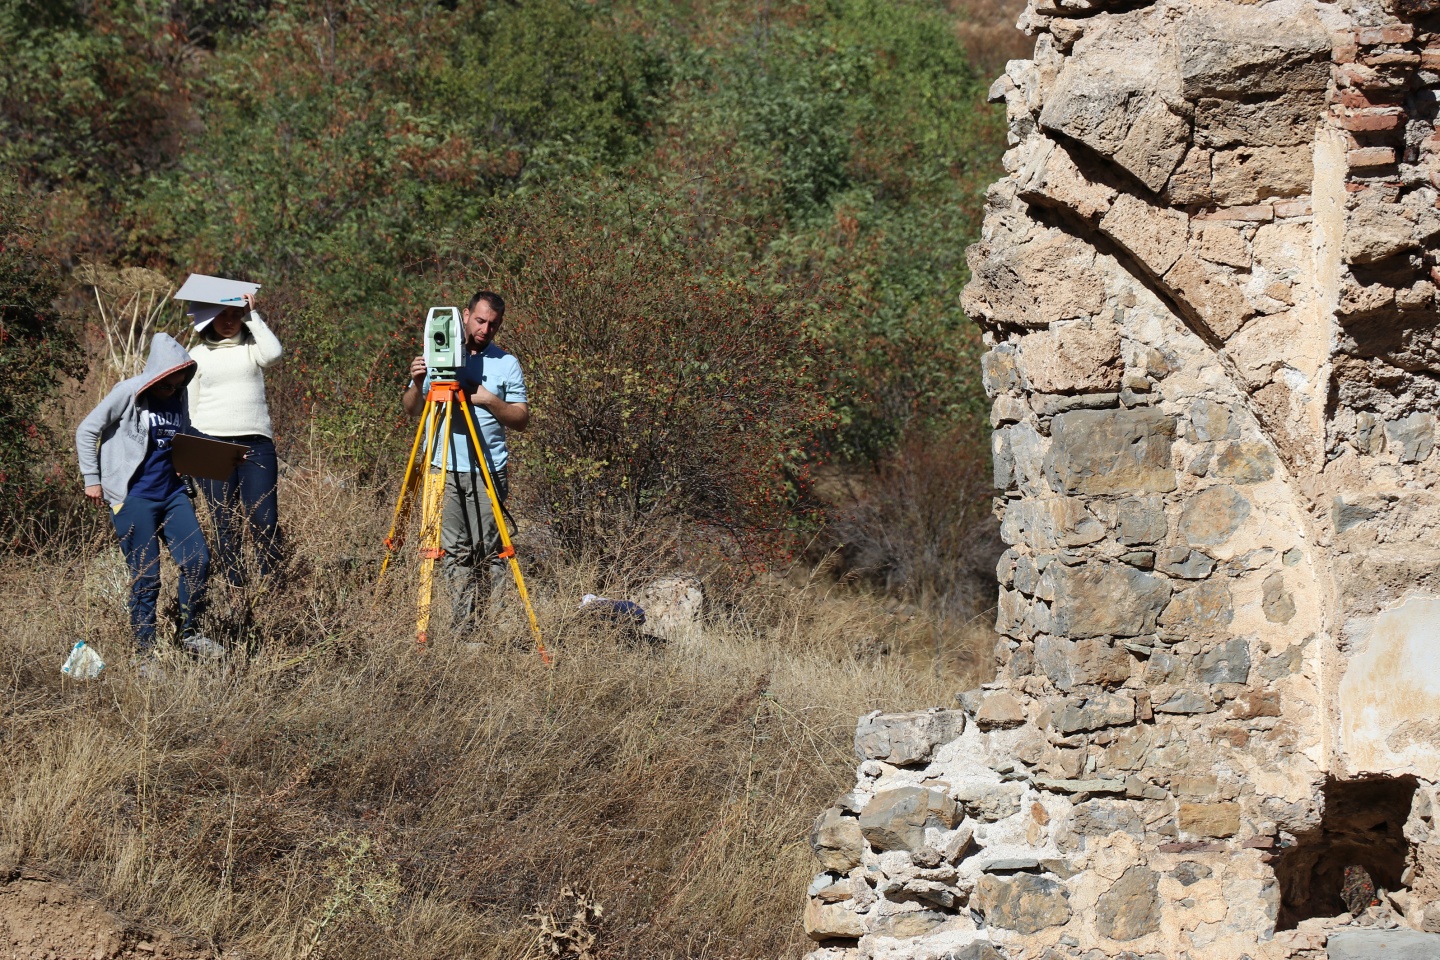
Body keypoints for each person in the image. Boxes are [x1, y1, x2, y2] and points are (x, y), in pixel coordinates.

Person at [76, 333, 222, 661]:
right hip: (133, 497)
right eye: (166, 385)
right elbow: (87, 429)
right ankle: (144, 654)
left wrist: (222, 451)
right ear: (156, 375)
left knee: (198, 561)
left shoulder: (179, 395)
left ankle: (189, 634)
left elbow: (183, 434)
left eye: (178, 384)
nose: (172, 390)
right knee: (147, 577)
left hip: (172, 493)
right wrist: (92, 480)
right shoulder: (128, 392)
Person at [402, 291, 529, 634]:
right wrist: (418, 382)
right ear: (465, 315)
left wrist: (488, 399)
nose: (486, 329)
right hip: (442, 466)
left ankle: (496, 627)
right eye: (480, 320)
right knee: (454, 551)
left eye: (493, 324)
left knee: (491, 550)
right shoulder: (437, 352)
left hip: (487, 469)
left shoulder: (506, 363)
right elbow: (412, 408)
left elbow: (520, 419)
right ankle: (465, 628)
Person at [185, 290, 285, 586]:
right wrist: (189, 453)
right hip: (210, 445)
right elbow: (189, 409)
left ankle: (273, 589)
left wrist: (252, 315)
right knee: (225, 524)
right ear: (208, 318)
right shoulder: (195, 356)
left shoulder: (253, 347)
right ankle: (236, 591)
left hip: (256, 445)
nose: (229, 321)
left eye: (235, 314)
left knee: (265, 520)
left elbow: (274, 355)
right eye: (221, 314)